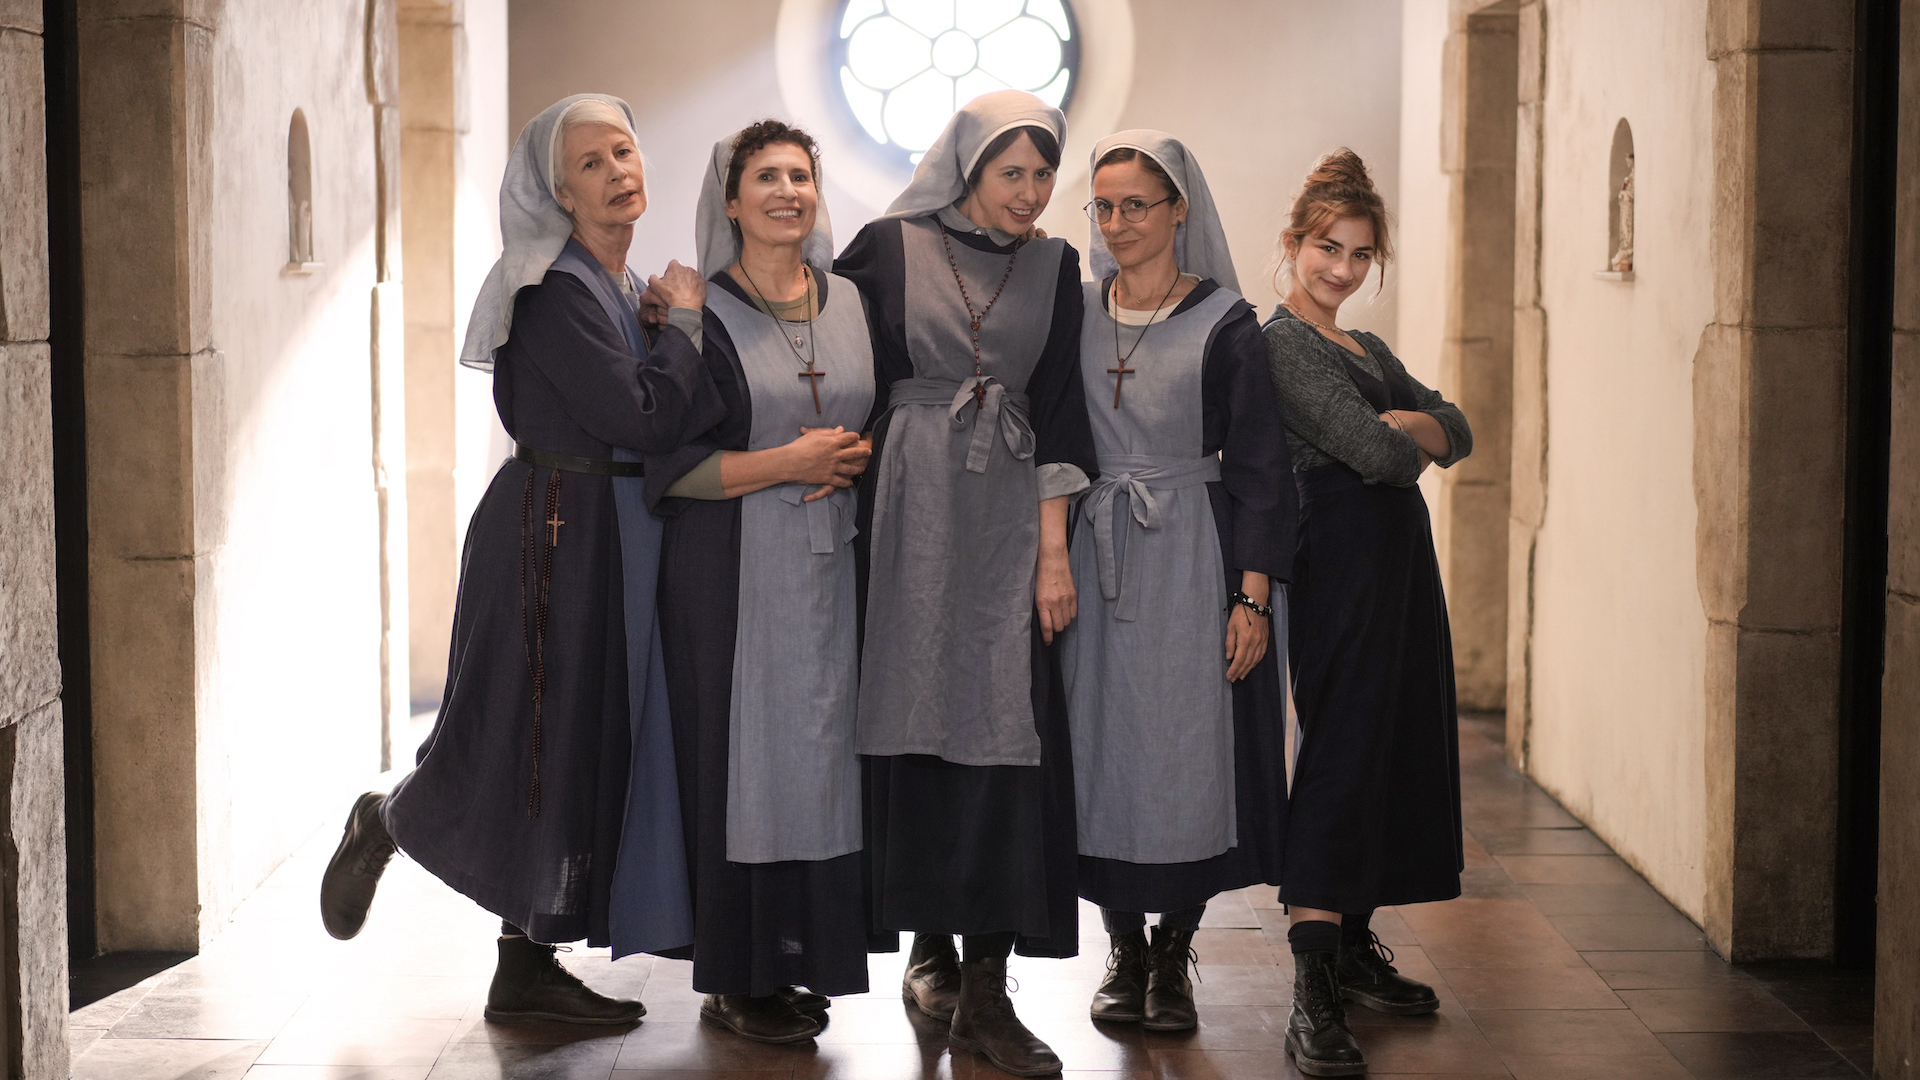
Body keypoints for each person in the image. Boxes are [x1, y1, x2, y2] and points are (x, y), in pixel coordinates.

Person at [317, 95, 720, 1025]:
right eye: (590, 163)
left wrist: (662, 327)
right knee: (527, 736)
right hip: (553, 534)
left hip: (604, 526)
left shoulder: (615, 285)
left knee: (574, 742)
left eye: (624, 149)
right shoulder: (547, 290)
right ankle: (392, 818)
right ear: (557, 191)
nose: (618, 170)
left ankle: (525, 965)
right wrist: (688, 327)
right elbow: (643, 418)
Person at [834, 90, 1095, 1078]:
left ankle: (987, 987)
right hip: (903, 523)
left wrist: (1055, 555)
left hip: (1008, 529)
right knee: (913, 733)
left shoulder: (1057, 267)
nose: (1030, 193)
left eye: (1042, 174)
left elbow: (1064, 413)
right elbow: (822, 353)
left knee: (1003, 739)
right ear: (966, 169)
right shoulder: (885, 248)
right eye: (1010, 173)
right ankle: (926, 952)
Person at [638, 121, 875, 1044]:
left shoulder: (852, 302)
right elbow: (675, 472)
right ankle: (737, 977)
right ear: (730, 201)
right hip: (729, 573)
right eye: (765, 177)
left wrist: (847, 456)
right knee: (742, 767)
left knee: (820, 764)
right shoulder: (702, 317)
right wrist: (788, 461)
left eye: (801, 176)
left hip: (831, 567)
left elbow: (876, 418)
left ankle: (798, 957)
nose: (787, 191)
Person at [1060, 131, 1295, 1033]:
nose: (1118, 223)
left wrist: (1252, 596)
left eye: (1137, 205)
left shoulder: (1225, 320)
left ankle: (1174, 952)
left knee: (1188, 752)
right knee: (1103, 744)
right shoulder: (1075, 311)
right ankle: (1123, 949)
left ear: (1178, 210)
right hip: (1094, 553)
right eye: (1104, 206)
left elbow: (1262, 470)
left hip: (1195, 551)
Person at [1262, 149, 1473, 1078]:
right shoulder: (1281, 344)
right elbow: (1378, 457)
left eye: (1358, 256)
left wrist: (1414, 427)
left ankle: (1351, 950)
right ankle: (1311, 990)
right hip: (1340, 565)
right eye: (1326, 248)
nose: (1341, 270)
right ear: (1294, 244)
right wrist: (1403, 433)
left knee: (1395, 744)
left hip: (1403, 569)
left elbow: (1458, 426)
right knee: (1342, 751)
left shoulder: (1367, 349)